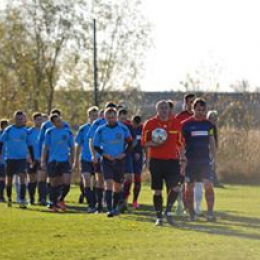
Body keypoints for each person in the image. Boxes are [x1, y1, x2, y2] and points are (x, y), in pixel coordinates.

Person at [141, 100, 182, 226]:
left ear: (169, 109)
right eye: (161, 108)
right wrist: (153, 144)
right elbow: (144, 142)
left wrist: (183, 158)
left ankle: (168, 212)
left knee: (175, 188)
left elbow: (180, 142)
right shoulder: (150, 123)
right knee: (157, 190)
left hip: (172, 160)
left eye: (166, 107)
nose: (164, 110)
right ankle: (159, 217)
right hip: (156, 161)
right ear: (157, 110)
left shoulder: (176, 123)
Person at [181, 98, 217, 222]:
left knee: (208, 185)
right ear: (193, 109)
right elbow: (180, 142)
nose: (200, 112)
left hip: (204, 161)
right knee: (189, 187)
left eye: (203, 110)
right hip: (190, 161)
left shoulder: (209, 125)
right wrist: (182, 159)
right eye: (198, 109)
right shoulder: (185, 124)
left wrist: (214, 157)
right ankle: (191, 213)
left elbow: (212, 140)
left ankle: (210, 213)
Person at [93, 107, 132, 217]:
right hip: (106, 160)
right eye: (108, 117)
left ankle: (115, 207)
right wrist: (105, 155)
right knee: (108, 184)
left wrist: (123, 154)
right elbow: (95, 145)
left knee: (118, 186)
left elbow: (130, 143)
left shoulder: (123, 128)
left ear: (116, 117)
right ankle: (109, 209)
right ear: (105, 117)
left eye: (113, 117)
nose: (111, 119)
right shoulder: (100, 129)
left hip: (119, 160)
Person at [41, 114, 74, 212]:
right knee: (54, 183)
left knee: (67, 182)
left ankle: (60, 199)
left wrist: (73, 161)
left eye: (60, 120)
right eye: (58, 121)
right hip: (53, 161)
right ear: (53, 123)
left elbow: (72, 147)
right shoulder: (49, 132)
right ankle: (54, 204)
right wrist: (43, 161)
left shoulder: (68, 132)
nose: (60, 122)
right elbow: (45, 147)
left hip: (64, 161)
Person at [0, 111, 33, 208]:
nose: (19, 120)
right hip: (10, 158)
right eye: (18, 118)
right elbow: (1, 142)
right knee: (9, 180)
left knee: (23, 176)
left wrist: (32, 157)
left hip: (22, 158)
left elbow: (30, 145)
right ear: (14, 119)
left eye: (21, 119)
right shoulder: (9, 130)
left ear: (24, 120)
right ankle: (9, 198)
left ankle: (22, 200)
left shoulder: (26, 131)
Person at [74, 106, 99, 213]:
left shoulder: (101, 128)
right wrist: (76, 160)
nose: (94, 117)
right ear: (88, 116)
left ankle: (98, 203)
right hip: (85, 159)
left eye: (96, 115)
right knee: (87, 181)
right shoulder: (83, 129)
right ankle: (91, 205)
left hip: (98, 160)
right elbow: (78, 145)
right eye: (92, 115)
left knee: (97, 183)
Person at [27, 112, 43, 205]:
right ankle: (31, 198)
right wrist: (27, 155)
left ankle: (42, 199)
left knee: (41, 179)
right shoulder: (29, 132)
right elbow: (26, 145)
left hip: (42, 159)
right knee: (32, 179)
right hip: (32, 159)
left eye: (41, 119)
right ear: (34, 120)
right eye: (38, 119)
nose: (40, 121)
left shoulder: (45, 131)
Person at [207, 110, 223, 188]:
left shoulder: (214, 127)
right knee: (210, 165)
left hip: (212, 149)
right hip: (207, 149)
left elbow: (215, 139)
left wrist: (215, 148)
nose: (213, 120)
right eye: (212, 118)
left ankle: (214, 181)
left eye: (215, 118)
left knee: (213, 165)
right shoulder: (208, 127)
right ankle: (213, 181)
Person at [131, 115, 143, 209]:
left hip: (139, 159)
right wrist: (133, 152)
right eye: (134, 123)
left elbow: (144, 143)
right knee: (126, 179)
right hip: (128, 157)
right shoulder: (128, 129)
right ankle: (123, 200)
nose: (136, 125)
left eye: (137, 124)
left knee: (138, 179)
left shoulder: (142, 129)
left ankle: (135, 201)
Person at [0, 119, 9, 202]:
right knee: (2, 178)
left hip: (6, 160)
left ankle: (2, 196)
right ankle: (1, 196)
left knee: (4, 179)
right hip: (1, 161)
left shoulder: (8, 135)